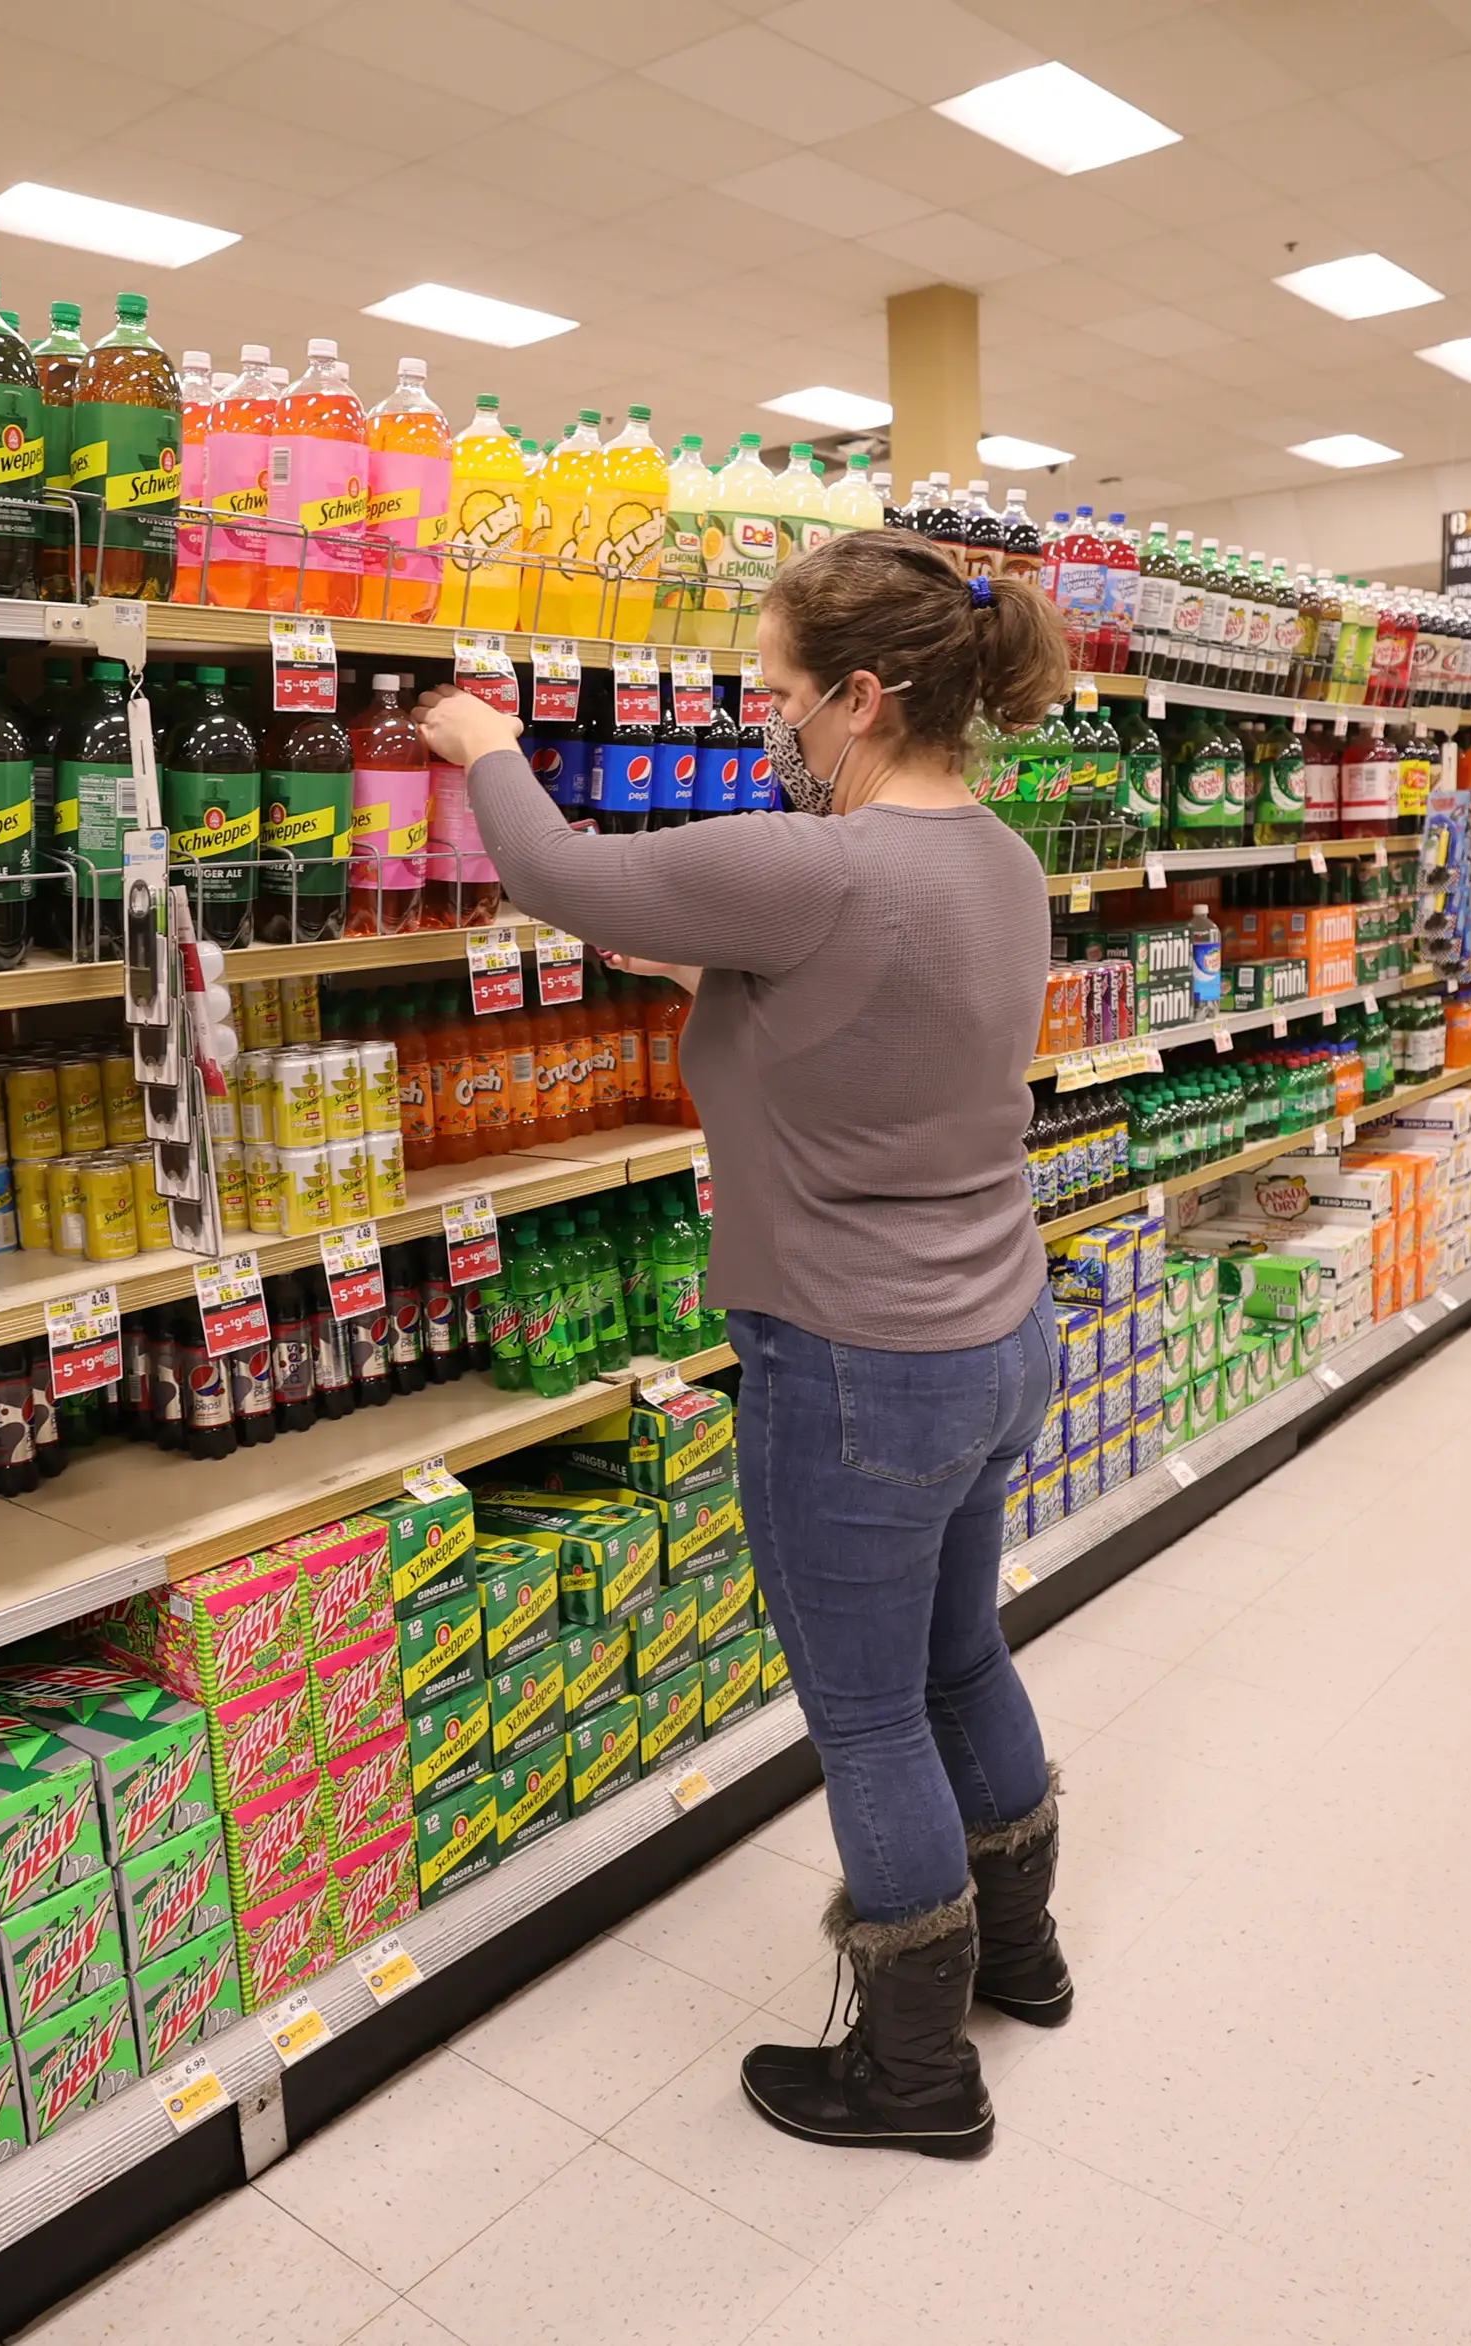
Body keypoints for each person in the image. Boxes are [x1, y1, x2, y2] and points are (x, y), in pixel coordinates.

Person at [417, 531, 1074, 2161]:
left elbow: (557, 877)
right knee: (960, 1652)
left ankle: (914, 2074)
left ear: (861, 695)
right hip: (995, 1330)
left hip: (852, 1360)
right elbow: (828, 982)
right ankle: (1023, 1957)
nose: (757, 720)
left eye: (775, 692)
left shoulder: (819, 863)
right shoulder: (995, 854)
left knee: (862, 1713)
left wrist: (484, 746)